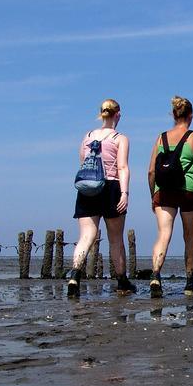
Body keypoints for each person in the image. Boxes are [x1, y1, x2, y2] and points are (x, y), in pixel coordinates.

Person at [147, 96, 193, 297]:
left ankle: (156, 276)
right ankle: (189, 283)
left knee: (163, 234)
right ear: (191, 116)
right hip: (189, 191)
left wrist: (154, 194)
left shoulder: (161, 137)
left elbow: (151, 171)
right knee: (190, 236)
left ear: (174, 115)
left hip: (164, 191)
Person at [66, 98, 136, 298]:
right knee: (115, 239)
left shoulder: (87, 136)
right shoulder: (120, 138)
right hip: (111, 186)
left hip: (87, 188)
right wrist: (125, 193)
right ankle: (122, 281)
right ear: (118, 115)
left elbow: (82, 162)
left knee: (86, 236)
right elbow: (123, 167)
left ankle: (74, 276)